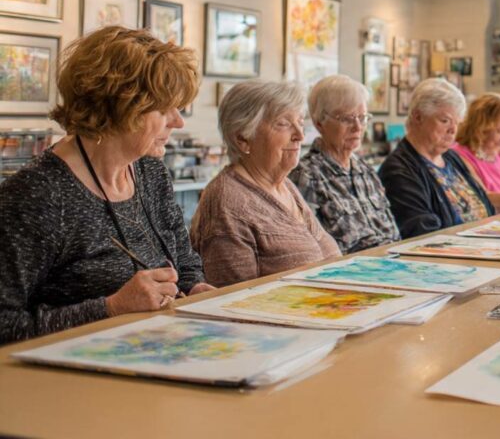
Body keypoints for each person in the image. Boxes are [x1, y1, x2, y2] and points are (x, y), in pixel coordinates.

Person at [0, 26, 212, 344]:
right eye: (163, 108)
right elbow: (5, 325)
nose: (178, 121)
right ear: (120, 107)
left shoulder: (151, 173)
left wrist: (195, 287)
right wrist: (111, 307)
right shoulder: (37, 196)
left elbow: (184, 259)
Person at [191, 80, 339, 286]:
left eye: (300, 121)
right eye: (283, 124)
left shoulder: (285, 186)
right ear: (243, 137)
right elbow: (233, 302)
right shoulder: (228, 203)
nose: (300, 135)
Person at [289, 75, 400, 254]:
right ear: (319, 123)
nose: (357, 127)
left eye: (362, 117)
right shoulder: (307, 175)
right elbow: (308, 251)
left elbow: (394, 233)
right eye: (347, 118)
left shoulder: (366, 170)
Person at [379, 78, 495, 239]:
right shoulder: (399, 170)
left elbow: (487, 206)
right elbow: (423, 234)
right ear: (418, 117)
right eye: (445, 121)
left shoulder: (452, 157)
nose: (453, 130)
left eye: (457, 123)